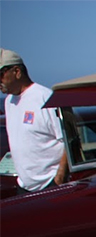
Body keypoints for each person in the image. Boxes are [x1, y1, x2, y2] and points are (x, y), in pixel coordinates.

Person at [1, 48, 67, 194]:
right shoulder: (9, 102)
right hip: (24, 186)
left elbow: (68, 141)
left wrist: (59, 178)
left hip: (50, 184)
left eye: (0, 75)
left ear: (16, 72)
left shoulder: (45, 98)